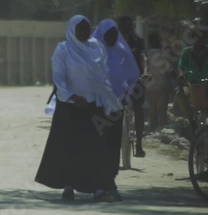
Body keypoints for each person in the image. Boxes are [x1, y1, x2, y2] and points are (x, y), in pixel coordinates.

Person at [35, 15, 123, 202]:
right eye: (80, 29)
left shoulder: (97, 47)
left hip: (93, 106)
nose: (84, 32)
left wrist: (109, 101)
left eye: (87, 28)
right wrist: (73, 97)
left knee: (94, 147)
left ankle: (97, 187)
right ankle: (69, 185)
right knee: (69, 148)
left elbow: (103, 76)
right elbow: (59, 79)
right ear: (72, 29)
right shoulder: (63, 50)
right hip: (70, 107)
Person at [93, 19, 140, 201]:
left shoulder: (122, 52)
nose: (111, 38)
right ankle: (97, 183)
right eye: (108, 34)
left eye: (114, 34)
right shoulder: (94, 52)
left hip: (117, 106)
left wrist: (127, 96)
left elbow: (133, 77)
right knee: (98, 145)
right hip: (97, 106)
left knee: (113, 145)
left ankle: (110, 180)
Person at [117, 16, 148, 157]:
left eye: (129, 27)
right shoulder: (113, 40)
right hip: (118, 79)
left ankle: (139, 144)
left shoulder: (138, 41)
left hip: (136, 78)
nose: (127, 31)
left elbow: (143, 57)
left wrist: (146, 72)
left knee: (138, 108)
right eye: (124, 28)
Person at [147, 28, 177, 131]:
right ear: (159, 42)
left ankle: (151, 132)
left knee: (152, 112)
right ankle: (160, 133)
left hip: (149, 87)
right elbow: (170, 70)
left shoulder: (146, 54)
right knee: (161, 112)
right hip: (162, 87)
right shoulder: (164, 53)